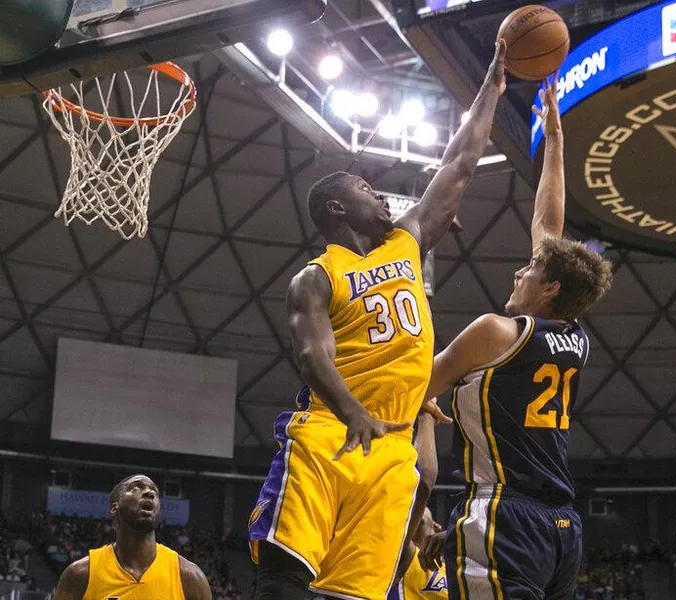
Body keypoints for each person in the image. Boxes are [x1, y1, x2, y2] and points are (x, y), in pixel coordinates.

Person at [247, 40, 507, 600]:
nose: (383, 198)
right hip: (328, 433)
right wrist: (354, 413)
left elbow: (459, 163)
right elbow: (313, 356)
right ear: (336, 208)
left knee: (355, 593)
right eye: (367, 189)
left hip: (392, 449)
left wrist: (491, 85)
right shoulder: (315, 277)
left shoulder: (408, 243)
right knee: (283, 572)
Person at [418, 75, 613, 599]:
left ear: (549, 289)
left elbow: (414, 383)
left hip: (503, 513)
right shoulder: (575, 334)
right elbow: (549, 228)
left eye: (528, 269)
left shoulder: (497, 331)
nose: (516, 273)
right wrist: (554, 142)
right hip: (561, 527)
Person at [53, 474, 211, 600]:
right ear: (115, 507)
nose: (149, 493)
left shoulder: (189, 577)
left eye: (154, 492)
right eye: (136, 488)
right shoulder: (81, 574)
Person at [389, 399, 449, 600]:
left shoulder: (459, 570)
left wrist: (459, 536)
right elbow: (420, 484)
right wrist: (426, 416)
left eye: (418, 524)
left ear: (436, 529)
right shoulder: (398, 559)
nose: (409, 528)